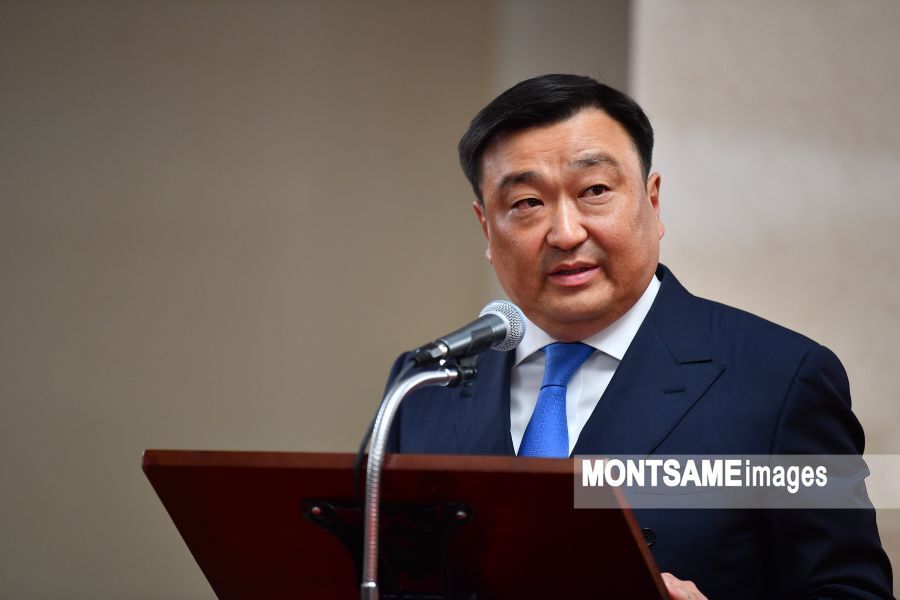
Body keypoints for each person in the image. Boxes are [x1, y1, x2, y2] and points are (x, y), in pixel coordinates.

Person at [386, 74, 893, 599]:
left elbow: (852, 592)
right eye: (527, 203)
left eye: (594, 191)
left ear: (652, 202)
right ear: (487, 229)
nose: (565, 233)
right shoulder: (424, 385)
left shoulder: (779, 381)